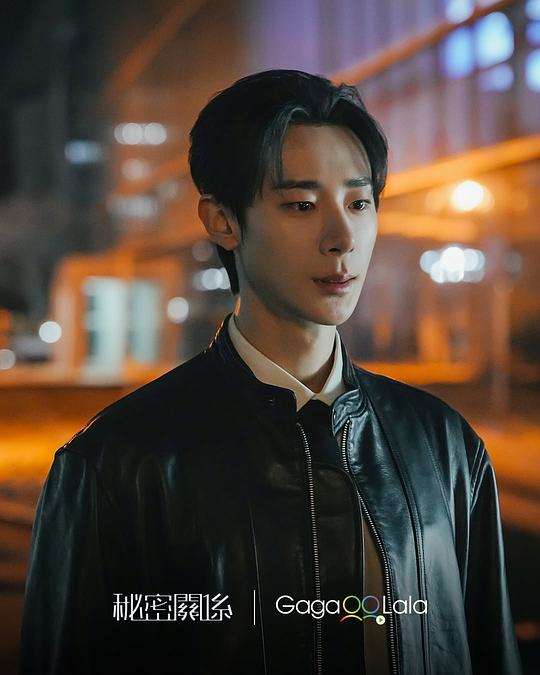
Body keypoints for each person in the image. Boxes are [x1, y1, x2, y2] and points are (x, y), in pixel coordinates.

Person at [20, 69, 522, 675]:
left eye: (359, 203)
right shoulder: (120, 464)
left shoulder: (443, 446)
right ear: (223, 221)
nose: (341, 238)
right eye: (301, 205)